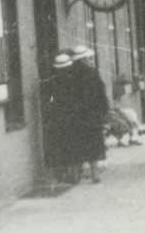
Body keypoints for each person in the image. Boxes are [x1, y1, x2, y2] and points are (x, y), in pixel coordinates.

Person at [67, 45, 110, 183]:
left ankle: (75, 175)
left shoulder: (69, 73)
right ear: (84, 58)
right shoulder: (92, 73)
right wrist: (104, 110)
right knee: (93, 145)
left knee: (76, 144)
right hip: (92, 114)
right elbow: (101, 93)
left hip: (75, 115)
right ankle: (95, 174)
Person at [42, 51, 75, 182]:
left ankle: (61, 173)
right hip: (70, 115)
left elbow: (49, 99)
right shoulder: (72, 80)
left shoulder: (52, 80)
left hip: (57, 115)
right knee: (70, 143)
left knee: (60, 144)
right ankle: (70, 172)